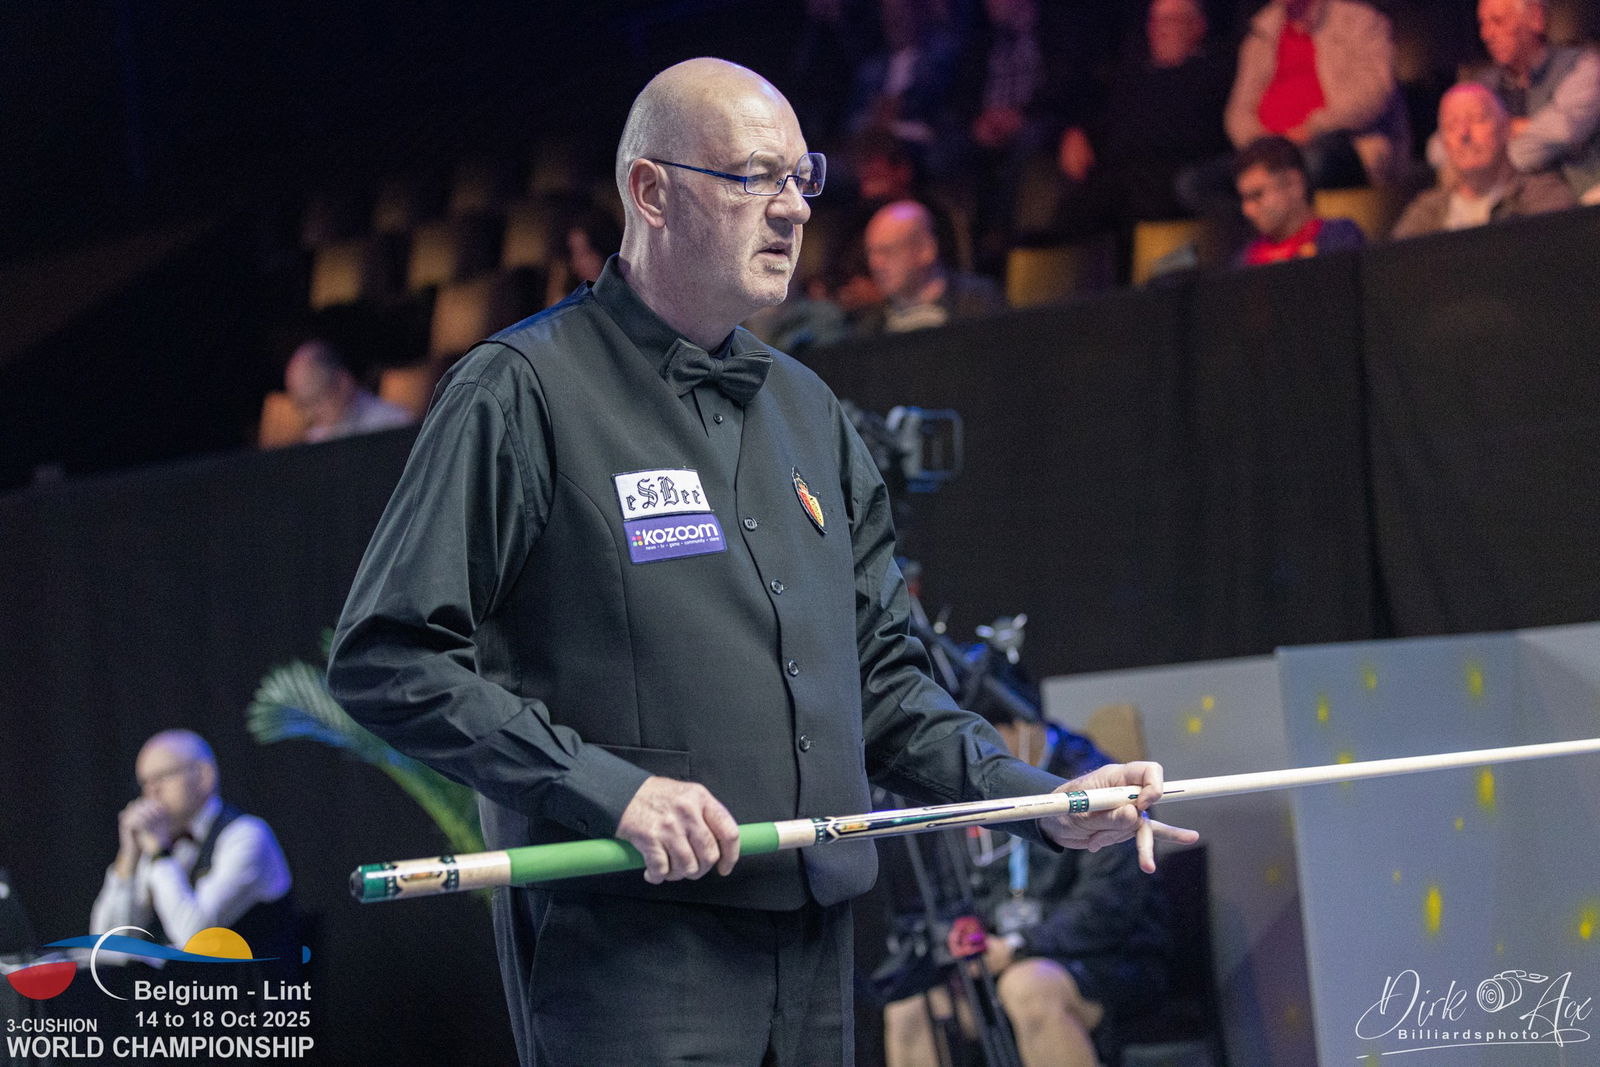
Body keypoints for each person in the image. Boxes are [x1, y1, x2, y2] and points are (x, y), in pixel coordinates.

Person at [326, 57, 1195, 1067]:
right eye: (752, 177)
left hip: (816, 949)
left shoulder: (809, 410)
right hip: (633, 956)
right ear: (651, 191)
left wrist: (1036, 798)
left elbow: (884, 685)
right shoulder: (519, 391)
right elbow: (388, 656)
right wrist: (612, 790)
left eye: (800, 176)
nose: (792, 208)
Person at [883, 721, 1168, 1067]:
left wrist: (1018, 946)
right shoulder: (974, 790)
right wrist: (963, 938)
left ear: (1022, 726)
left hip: (1103, 958)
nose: (981, 752)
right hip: (998, 962)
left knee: (1027, 987)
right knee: (910, 1006)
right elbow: (948, 894)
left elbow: (1105, 908)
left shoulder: (1088, 778)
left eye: (990, 733)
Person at [90, 730, 295, 960]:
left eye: (162, 777)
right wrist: (128, 856)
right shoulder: (158, 844)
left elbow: (195, 936)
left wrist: (159, 853)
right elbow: (107, 948)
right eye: (145, 782)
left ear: (204, 776)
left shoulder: (247, 836)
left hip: (250, 982)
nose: (151, 792)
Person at [1051, 0, 1235, 237]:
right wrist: (1077, 132)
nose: (1160, 30)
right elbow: (1106, 122)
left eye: (1171, 21)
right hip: (1119, 174)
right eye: (1155, 22)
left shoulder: (1216, 70)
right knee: (1074, 208)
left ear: (1198, 26)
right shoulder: (1133, 76)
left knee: (1140, 194)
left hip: (1174, 169)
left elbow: (1206, 135)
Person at [1393, 83, 1576, 240]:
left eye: (1476, 119)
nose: (1463, 134)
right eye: (1451, 125)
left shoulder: (1542, 196)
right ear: (1444, 143)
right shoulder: (1427, 212)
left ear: (1505, 128)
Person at [1464, 0, 1600, 202]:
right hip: (1509, 205)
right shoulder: (1482, 86)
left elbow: (1564, 131)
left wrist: (1492, 142)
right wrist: (1519, 128)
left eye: (1497, 20)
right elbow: (1439, 150)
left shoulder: (1582, 66)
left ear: (1535, 18)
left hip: (1581, 201)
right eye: (1482, 24)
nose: (1486, 34)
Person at [856, 199, 1006, 334]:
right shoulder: (871, 327)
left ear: (926, 250)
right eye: (871, 253)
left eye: (888, 251)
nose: (876, 264)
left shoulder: (978, 303)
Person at [1233, 136, 1366, 266]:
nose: (1247, 210)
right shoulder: (1245, 260)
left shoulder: (1339, 238)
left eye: (1257, 195)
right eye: (1244, 199)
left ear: (1293, 184)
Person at [282, 338, 414, 444]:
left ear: (343, 383)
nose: (309, 415)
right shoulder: (315, 438)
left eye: (316, 400)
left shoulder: (393, 425)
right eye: (302, 405)